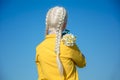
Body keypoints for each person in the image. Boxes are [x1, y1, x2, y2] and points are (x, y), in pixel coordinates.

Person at [35, 6, 86, 80]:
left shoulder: (39, 48)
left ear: (47, 23)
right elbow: (82, 63)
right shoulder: (68, 44)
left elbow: (41, 76)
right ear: (64, 24)